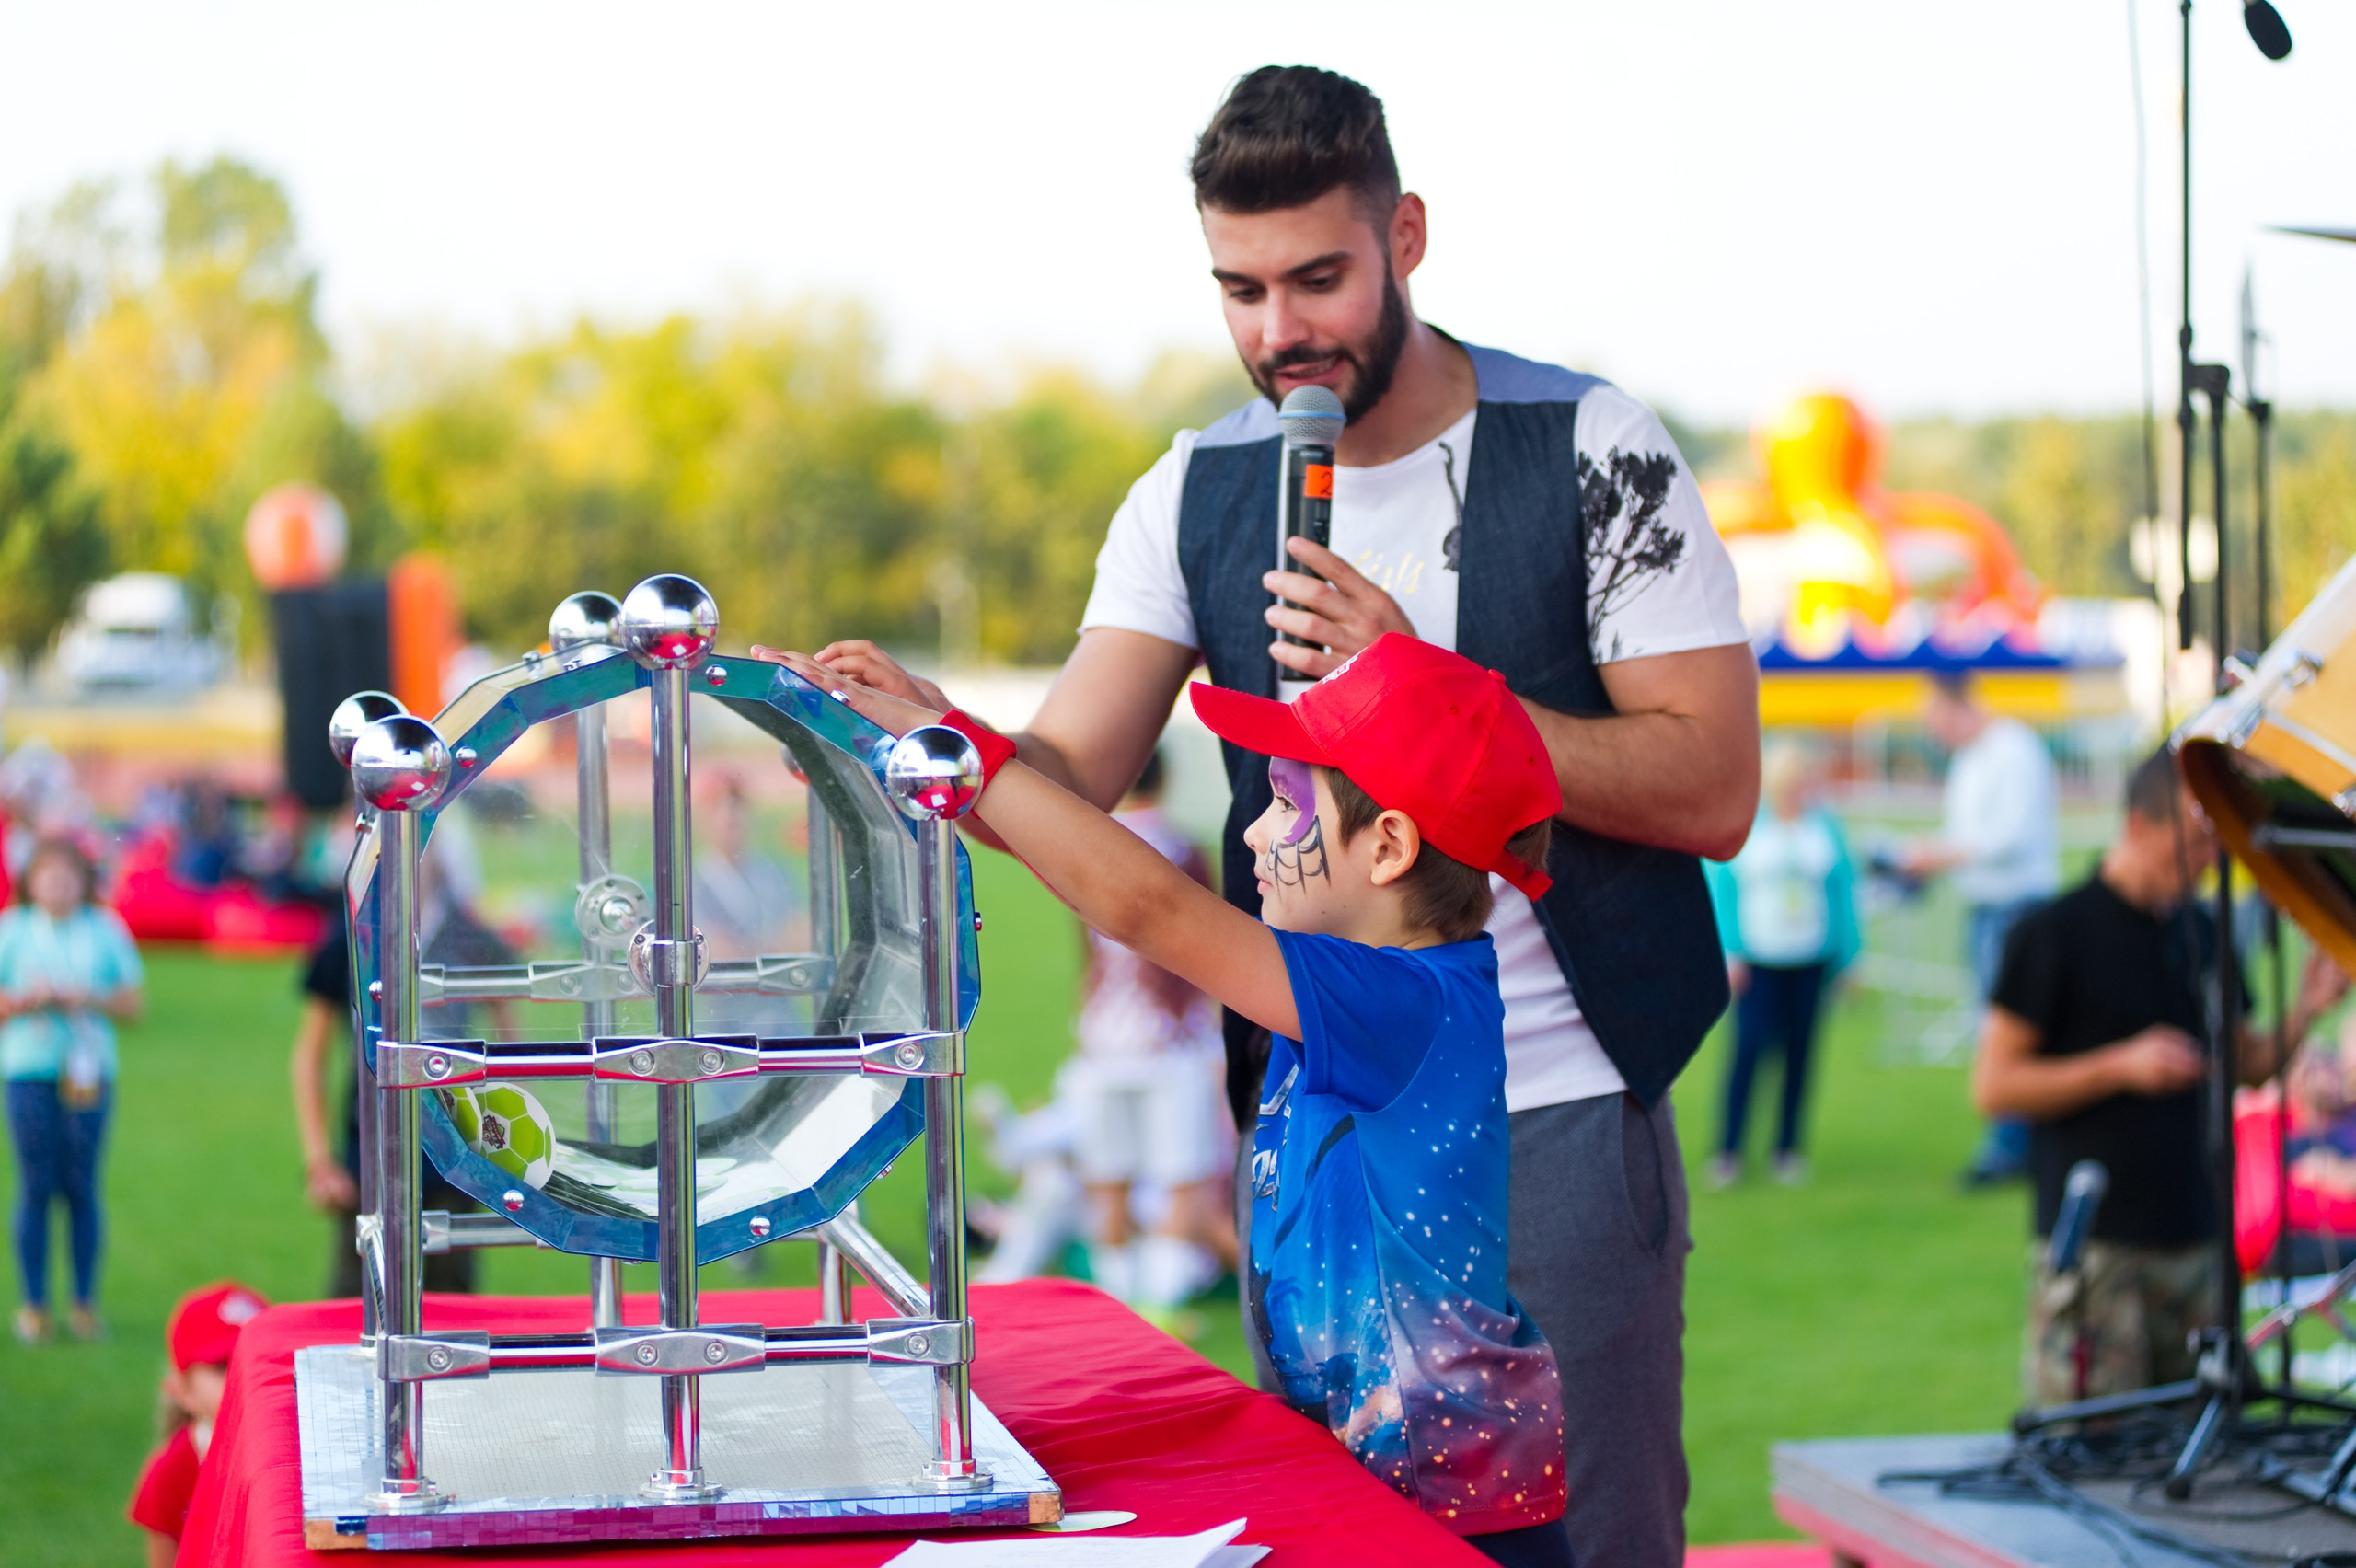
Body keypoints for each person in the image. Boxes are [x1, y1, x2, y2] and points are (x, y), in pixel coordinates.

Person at [783, 66, 1757, 1566]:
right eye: (1239, 290)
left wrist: (1431, 697)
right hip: (1304, 1111)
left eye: (1318, 277)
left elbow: (1713, 783)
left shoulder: (1591, 445)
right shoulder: (1194, 488)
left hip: (1557, 1112)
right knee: (1335, 1536)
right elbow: (1074, 777)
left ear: (1406, 236)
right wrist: (935, 734)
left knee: (1581, 1545)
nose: (1278, 333)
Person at [761, 633, 1573, 1565]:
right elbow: (1097, 874)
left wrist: (959, 747)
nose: (1255, 834)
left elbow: (1146, 907)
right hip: (1387, 1481)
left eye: (1282, 803)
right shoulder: (1376, 987)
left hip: (1457, 1509)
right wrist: (952, 733)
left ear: (1387, 845)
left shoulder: (1406, 1000)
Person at [1974, 749, 2345, 1404]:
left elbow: (2246, 1064)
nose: (2209, 859)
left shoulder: (2204, 929)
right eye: (2198, 839)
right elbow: (1995, 1086)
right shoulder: (2053, 932)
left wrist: (2306, 1009)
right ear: (2140, 825)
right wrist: (2120, 1065)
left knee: (2201, 1441)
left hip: (2200, 1236)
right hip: (2100, 1247)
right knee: (2096, 1442)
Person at [1064, 748, 1238, 1317]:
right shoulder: (1182, 848)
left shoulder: (1092, 848)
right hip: (1172, 1040)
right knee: (1181, 1175)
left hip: (1104, 1036)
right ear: (1167, 778)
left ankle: (1111, 1304)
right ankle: (1159, 1307)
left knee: (1107, 1175)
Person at [1903, 669, 2060, 1185]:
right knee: (1993, 1022)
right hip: (1987, 905)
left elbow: (2008, 836)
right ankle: (2015, 1139)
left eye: (1936, 721)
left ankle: (2015, 1145)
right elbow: (1969, 834)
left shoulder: (2013, 749)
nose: (1934, 734)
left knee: (2010, 1026)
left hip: (2016, 905)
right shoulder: (1970, 760)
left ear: (1957, 707)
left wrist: (1940, 855)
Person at [291, 911, 481, 1297]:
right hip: (370, 1155)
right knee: (358, 1305)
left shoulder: (464, 930)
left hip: (455, 1158)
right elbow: (311, 1055)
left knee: (452, 1311)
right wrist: (318, 1162)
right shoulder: (351, 935)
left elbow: (510, 1040)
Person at [1, 837, 144, 1343]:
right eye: (48, 877)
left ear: (83, 881)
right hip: (29, 1071)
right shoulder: (13, 930)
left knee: (81, 1184)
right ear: (31, 881)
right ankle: (35, 1304)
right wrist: (25, 1001)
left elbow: (133, 1004)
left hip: (88, 1071)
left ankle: (84, 1304)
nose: (58, 888)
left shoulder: (104, 930)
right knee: (36, 1184)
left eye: (67, 878)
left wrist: (88, 998)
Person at [1703, 739, 1860, 1188]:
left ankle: (1788, 1148)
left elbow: (1844, 892)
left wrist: (1850, 957)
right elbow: (1724, 891)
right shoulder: (1751, 827)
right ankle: (1729, 1149)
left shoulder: (1824, 828)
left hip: (1810, 957)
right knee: (1748, 1053)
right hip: (1758, 959)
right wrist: (1730, 953)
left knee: (1801, 1054)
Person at [128, 1280, 269, 1564]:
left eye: (255, 1359)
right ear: (183, 1391)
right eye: (222, 1364)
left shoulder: (302, 1452)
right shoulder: (169, 1475)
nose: (244, 1376)